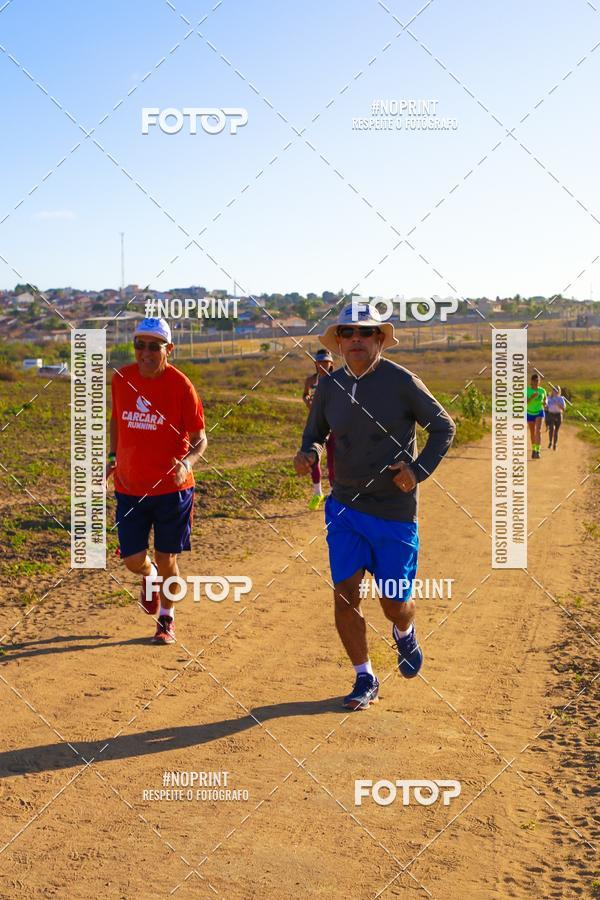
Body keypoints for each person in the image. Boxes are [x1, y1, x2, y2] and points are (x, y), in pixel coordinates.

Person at [293, 303, 455, 710]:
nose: (356, 340)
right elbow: (314, 433)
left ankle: (405, 630)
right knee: (345, 595)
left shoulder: (401, 382)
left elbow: (443, 427)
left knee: (393, 604)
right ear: (340, 342)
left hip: (394, 512)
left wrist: (417, 471)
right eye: (348, 333)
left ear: (380, 339)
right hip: (345, 506)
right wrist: (308, 453)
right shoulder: (330, 386)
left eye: (365, 333)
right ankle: (364, 675)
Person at [106, 317, 207, 644]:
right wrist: (112, 460)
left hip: (172, 489)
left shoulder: (181, 386)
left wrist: (186, 461)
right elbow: (116, 421)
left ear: (169, 349)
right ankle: (149, 579)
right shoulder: (121, 379)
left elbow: (200, 439)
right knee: (134, 560)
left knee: (167, 559)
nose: (145, 352)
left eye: (154, 346)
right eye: (140, 345)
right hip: (129, 486)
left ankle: (166, 619)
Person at [302, 348, 336, 510]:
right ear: (315, 364)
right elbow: (305, 394)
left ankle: (334, 494)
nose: (322, 365)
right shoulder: (311, 380)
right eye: (319, 362)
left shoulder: (337, 381)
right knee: (313, 457)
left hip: (334, 425)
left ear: (331, 364)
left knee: (332, 461)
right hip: (316, 424)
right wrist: (308, 401)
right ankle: (318, 493)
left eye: (326, 362)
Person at [527, 372, 547, 459]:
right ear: (531, 381)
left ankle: (538, 451)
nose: (536, 382)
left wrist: (545, 403)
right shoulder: (527, 390)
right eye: (535, 381)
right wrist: (531, 397)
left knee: (538, 431)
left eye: (538, 381)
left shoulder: (542, 391)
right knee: (532, 432)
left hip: (540, 411)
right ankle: (533, 449)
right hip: (530, 412)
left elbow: (545, 400)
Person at [545, 385, 566, 450]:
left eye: (557, 390)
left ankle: (555, 444)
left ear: (559, 391)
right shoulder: (549, 398)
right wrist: (545, 406)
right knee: (551, 428)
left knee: (556, 431)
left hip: (558, 414)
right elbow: (546, 406)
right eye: (554, 390)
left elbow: (563, 408)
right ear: (552, 391)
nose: (556, 391)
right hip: (551, 414)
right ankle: (550, 442)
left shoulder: (561, 398)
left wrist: (557, 403)